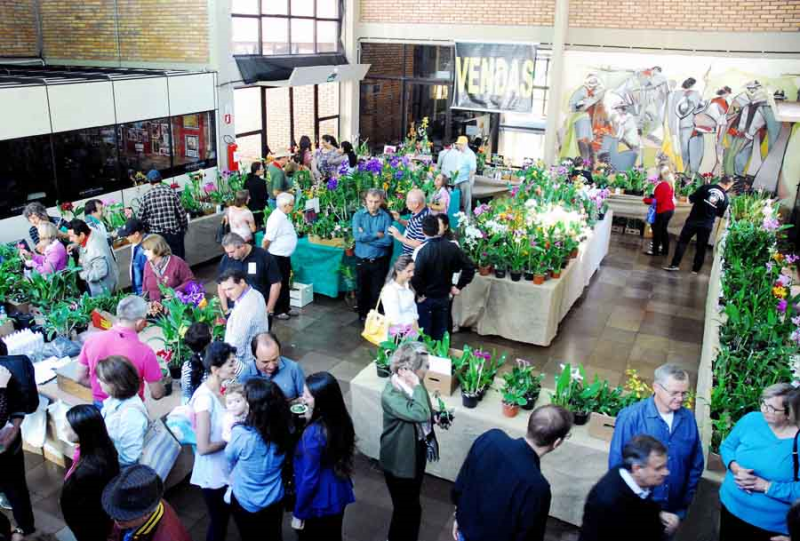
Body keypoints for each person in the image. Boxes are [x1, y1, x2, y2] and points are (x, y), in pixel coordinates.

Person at [452, 405, 573, 541]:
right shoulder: (537, 487)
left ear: (530, 424)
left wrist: (459, 515)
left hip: (465, 529)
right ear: (557, 442)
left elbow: (462, 482)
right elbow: (529, 536)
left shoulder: (491, 438)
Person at [609, 364, 703, 524]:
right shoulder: (631, 418)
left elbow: (696, 464)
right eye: (674, 393)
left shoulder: (688, 419)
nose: (680, 399)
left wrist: (683, 507)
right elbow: (618, 468)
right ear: (656, 388)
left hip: (673, 513)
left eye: (684, 393)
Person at [718, 383, 799, 540]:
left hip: (769, 526)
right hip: (730, 507)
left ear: (789, 414)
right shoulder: (751, 420)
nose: (764, 410)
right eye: (764, 403)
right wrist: (736, 468)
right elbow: (727, 446)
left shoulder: (797, 441)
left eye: (772, 408)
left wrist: (766, 486)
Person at [380, 342, 434, 541]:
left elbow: (425, 410)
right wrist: (419, 386)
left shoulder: (411, 384)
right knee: (405, 509)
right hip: (399, 459)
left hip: (414, 451)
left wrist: (436, 416)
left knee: (411, 505)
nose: (428, 370)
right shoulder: (391, 395)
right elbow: (420, 412)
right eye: (425, 366)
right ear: (404, 370)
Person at [292, 372, 356, 541]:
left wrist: (298, 512)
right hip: (338, 487)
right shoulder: (341, 418)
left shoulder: (313, 434)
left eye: (307, 396)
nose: (302, 398)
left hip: (320, 498)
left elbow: (309, 479)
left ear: (321, 400)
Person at [225, 379, 292, 540]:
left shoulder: (242, 435)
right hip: (274, 496)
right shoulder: (285, 428)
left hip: (246, 500)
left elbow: (229, 457)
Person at [579, 435, 677, 541]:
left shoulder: (629, 477)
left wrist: (659, 515)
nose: (666, 472)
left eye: (665, 466)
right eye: (659, 468)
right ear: (637, 469)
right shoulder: (608, 502)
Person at [77, 295, 165, 409]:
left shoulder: (92, 340)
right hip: (132, 408)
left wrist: (103, 387)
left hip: (100, 404)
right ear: (139, 322)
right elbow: (157, 393)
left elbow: (80, 377)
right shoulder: (145, 352)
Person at [190, 341, 238, 541]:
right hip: (214, 474)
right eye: (230, 364)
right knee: (219, 522)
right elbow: (203, 447)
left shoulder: (222, 389)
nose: (235, 367)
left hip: (225, 467)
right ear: (215, 369)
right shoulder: (204, 400)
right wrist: (232, 440)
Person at [60, 404, 120, 541]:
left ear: (83, 432)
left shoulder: (89, 470)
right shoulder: (103, 446)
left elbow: (77, 504)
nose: (63, 429)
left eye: (68, 427)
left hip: (89, 523)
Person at [411, 215, 476, 340]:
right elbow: (469, 267)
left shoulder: (420, 250)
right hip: (444, 297)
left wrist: (420, 293)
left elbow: (415, 276)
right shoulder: (452, 247)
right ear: (438, 228)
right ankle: (442, 357)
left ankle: (425, 359)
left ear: (422, 231)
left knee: (424, 335)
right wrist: (458, 286)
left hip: (426, 298)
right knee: (442, 334)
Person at [664, 174, 733, 274]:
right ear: (728, 184)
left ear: (721, 180)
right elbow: (720, 214)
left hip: (693, 220)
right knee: (701, 247)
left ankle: (674, 264)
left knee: (682, 242)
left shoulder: (705, 188)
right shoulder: (725, 199)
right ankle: (695, 269)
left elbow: (691, 199)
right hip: (707, 224)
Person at [103, 464, 192, 541]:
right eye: (114, 512)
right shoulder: (147, 500)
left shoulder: (168, 537)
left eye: (122, 516)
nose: (113, 518)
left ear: (145, 514)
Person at [0, 356, 35, 541]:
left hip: (8, 445)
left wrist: (13, 430)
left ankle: (25, 526)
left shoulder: (6, 370)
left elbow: (19, 405)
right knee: (16, 486)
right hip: (7, 443)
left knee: (16, 486)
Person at [97, 356, 151, 466]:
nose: (98, 381)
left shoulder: (130, 415)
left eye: (102, 380)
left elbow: (130, 458)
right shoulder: (113, 399)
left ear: (117, 384)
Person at [217, 233, 281, 323]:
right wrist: (226, 310)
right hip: (235, 311)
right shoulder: (226, 259)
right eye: (227, 253)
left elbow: (276, 283)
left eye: (231, 252)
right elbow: (220, 285)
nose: (229, 256)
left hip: (259, 310)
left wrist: (269, 310)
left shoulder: (263, 256)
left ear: (242, 246)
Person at [218, 269, 270, 375]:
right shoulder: (256, 294)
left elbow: (236, 346)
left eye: (230, 289)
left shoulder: (245, 309)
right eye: (224, 290)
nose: (227, 294)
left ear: (242, 282)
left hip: (244, 365)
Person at [352, 189, 393, 322]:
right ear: (365, 201)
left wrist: (366, 238)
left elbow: (387, 241)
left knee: (377, 290)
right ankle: (363, 315)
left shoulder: (385, 217)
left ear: (381, 201)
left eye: (376, 202)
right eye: (370, 201)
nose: (373, 205)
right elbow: (357, 236)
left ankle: (375, 315)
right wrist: (376, 235)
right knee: (362, 288)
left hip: (379, 261)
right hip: (362, 260)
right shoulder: (358, 216)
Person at [238, 332, 306, 402]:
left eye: (275, 359)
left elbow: (305, 396)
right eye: (265, 362)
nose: (271, 366)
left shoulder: (293, 368)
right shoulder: (244, 377)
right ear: (254, 357)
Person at [137, 169, 189, 259]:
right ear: (161, 179)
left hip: (156, 238)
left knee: (161, 263)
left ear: (149, 181)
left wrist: (148, 230)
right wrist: (183, 228)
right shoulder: (171, 192)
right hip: (173, 234)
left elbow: (140, 219)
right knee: (177, 261)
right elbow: (182, 214)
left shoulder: (146, 197)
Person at [263, 192, 300, 320]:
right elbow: (267, 239)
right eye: (291, 205)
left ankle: (286, 307)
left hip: (284, 256)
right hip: (276, 257)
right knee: (278, 283)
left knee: (285, 282)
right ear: (285, 205)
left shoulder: (283, 216)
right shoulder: (276, 219)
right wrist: (264, 254)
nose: (293, 207)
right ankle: (278, 309)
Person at [68, 219, 119, 297]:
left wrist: (82, 274)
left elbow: (101, 271)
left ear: (82, 235)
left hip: (102, 290)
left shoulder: (94, 249)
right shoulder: (90, 230)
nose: (70, 239)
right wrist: (76, 244)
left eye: (72, 236)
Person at [140, 233, 195, 303]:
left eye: (148, 250)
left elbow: (191, 282)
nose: (144, 253)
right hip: (156, 311)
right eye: (144, 250)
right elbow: (145, 290)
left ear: (157, 248)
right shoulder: (147, 265)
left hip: (176, 308)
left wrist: (175, 292)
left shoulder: (177, 262)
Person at [643, 167, 676, 256]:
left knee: (657, 230)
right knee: (663, 230)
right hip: (668, 210)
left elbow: (658, 200)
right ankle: (665, 251)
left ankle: (655, 251)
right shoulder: (670, 184)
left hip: (663, 210)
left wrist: (647, 200)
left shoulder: (663, 185)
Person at [381, 255, 419, 331]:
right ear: (398, 271)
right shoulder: (390, 291)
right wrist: (412, 325)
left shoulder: (407, 284)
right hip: (399, 334)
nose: (413, 274)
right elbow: (395, 320)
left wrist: (415, 321)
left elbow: (412, 307)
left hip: (411, 330)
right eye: (409, 271)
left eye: (413, 270)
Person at [388, 189, 430, 256]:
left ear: (416, 204)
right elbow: (412, 225)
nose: (406, 203)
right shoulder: (418, 212)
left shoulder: (423, 220)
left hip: (412, 256)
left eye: (407, 200)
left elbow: (419, 245)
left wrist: (399, 237)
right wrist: (399, 220)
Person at [180, 322, 212, 404]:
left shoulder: (188, 366)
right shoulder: (219, 360)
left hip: (197, 404)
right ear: (210, 340)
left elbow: (186, 394)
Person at [116, 218, 147, 295]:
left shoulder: (145, 249)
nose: (126, 238)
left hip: (143, 292)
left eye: (127, 235)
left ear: (136, 234)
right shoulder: (135, 244)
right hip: (137, 289)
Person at [454, 135, 477, 215]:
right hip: (458, 179)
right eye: (458, 144)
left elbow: (473, 170)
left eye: (460, 144)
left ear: (465, 144)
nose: (458, 146)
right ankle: (455, 217)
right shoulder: (459, 153)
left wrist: (467, 179)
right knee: (456, 199)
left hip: (465, 180)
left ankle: (467, 219)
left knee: (466, 201)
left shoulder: (470, 154)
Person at [244, 161, 268, 228]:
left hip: (250, 209)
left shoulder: (247, 181)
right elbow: (264, 197)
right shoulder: (262, 182)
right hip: (260, 210)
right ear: (257, 171)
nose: (263, 170)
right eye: (262, 168)